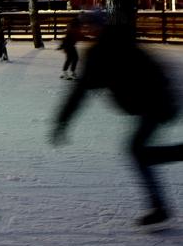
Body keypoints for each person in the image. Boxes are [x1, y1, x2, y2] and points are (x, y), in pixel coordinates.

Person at [50, 23, 182, 227]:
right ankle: (160, 204)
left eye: (91, 27)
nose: (87, 31)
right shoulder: (123, 46)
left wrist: (62, 121)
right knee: (139, 152)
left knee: (137, 151)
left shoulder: (101, 54)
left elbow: (80, 92)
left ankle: (160, 206)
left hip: (154, 105)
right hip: (157, 103)